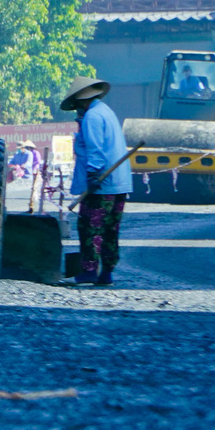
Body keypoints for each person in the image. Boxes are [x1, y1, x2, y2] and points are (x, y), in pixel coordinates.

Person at [62, 75, 132, 287]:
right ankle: (107, 273)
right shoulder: (106, 112)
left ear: (81, 101)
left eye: (76, 105)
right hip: (119, 184)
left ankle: (89, 271)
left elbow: (95, 149)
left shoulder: (92, 117)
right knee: (111, 229)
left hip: (102, 185)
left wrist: (93, 175)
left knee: (90, 228)